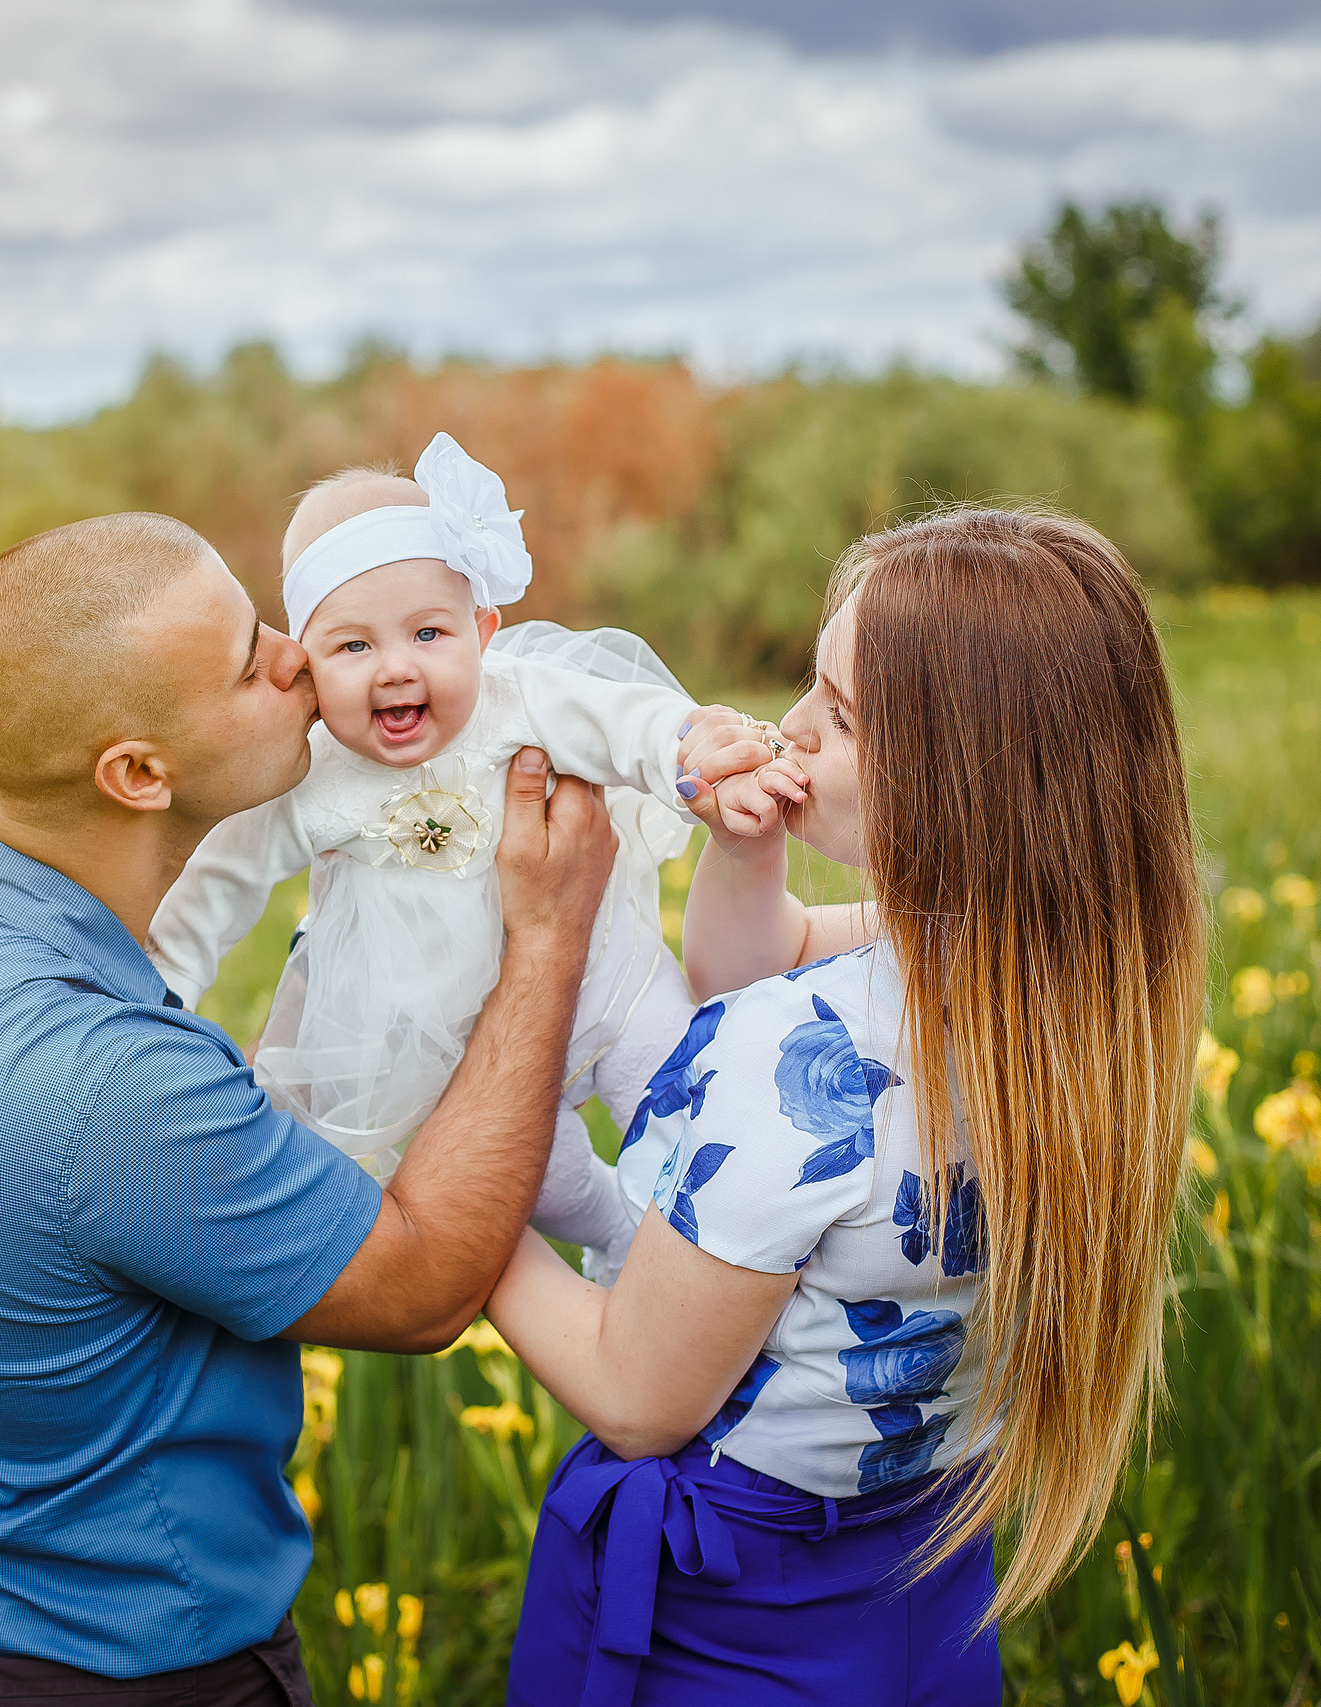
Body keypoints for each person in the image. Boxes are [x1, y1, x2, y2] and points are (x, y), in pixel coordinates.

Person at [0, 511, 618, 1704]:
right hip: (124, 1678)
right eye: (246, 664)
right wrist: (544, 940)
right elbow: (425, 1284)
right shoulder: (109, 1087)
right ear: (138, 774)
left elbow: (89, 1186)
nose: (297, 654)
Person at [481, 508, 1208, 1706]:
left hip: (722, 1623)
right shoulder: (1064, 986)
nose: (794, 728)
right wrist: (746, 856)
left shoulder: (801, 1058)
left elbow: (635, 1398)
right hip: (918, 1575)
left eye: (844, 714)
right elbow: (746, 965)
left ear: (962, 777)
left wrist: (457, 1202)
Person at [151, 433, 764, 1279]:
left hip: (606, 978)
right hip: (463, 1050)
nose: (395, 668)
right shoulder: (310, 774)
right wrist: (166, 989)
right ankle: (618, 1236)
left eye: (429, 632)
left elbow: (624, 721)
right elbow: (222, 877)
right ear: (307, 666)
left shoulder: (520, 697)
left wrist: (688, 750)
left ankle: (746, 1255)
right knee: (546, 1186)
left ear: (482, 629)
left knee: (687, 1097)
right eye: (353, 646)